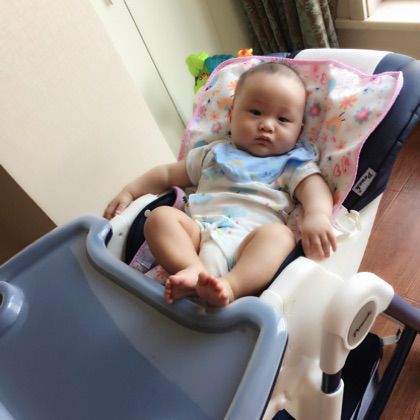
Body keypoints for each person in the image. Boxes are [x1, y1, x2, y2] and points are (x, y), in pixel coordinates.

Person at [104, 62, 337, 307]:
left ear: (299, 130)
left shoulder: (293, 164)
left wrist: (317, 215)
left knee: (281, 237)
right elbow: (166, 174)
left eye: (283, 119)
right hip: (196, 234)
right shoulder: (213, 154)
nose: (267, 125)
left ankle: (230, 286)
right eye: (255, 112)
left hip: (248, 245)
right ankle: (192, 269)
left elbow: (315, 189)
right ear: (231, 115)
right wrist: (130, 191)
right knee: (160, 218)